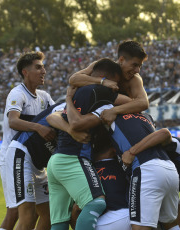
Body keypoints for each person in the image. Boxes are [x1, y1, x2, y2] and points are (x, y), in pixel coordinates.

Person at [46, 58, 133, 230]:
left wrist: (68, 100)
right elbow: (132, 103)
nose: (116, 86)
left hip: (55, 162)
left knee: (60, 220)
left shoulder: (76, 93)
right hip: (73, 158)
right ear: (105, 78)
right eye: (115, 83)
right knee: (96, 203)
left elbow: (51, 117)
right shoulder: (101, 92)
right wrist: (113, 107)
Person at [4, 102, 89, 230]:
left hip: (41, 166)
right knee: (28, 216)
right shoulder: (67, 107)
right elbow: (52, 118)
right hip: (23, 153)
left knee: (50, 214)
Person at [0, 51, 56, 230]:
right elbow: (13, 121)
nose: (43, 71)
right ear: (25, 72)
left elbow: (59, 116)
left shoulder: (44, 97)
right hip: (13, 159)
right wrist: (39, 127)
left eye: (43, 67)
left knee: (48, 213)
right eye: (38, 67)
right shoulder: (17, 93)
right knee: (17, 213)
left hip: (36, 162)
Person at [105, 113, 180, 230]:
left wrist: (131, 152)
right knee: (168, 224)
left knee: (140, 227)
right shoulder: (145, 117)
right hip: (170, 169)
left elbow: (164, 133)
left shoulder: (112, 116)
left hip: (146, 169)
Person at [69, 40, 149, 125]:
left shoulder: (134, 79)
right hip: (90, 118)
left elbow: (143, 103)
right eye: (134, 65)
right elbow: (73, 79)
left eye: (140, 66)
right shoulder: (103, 66)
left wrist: (114, 111)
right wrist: (102, 81)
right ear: (121, 60)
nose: (137, 70)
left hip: (117, 124)